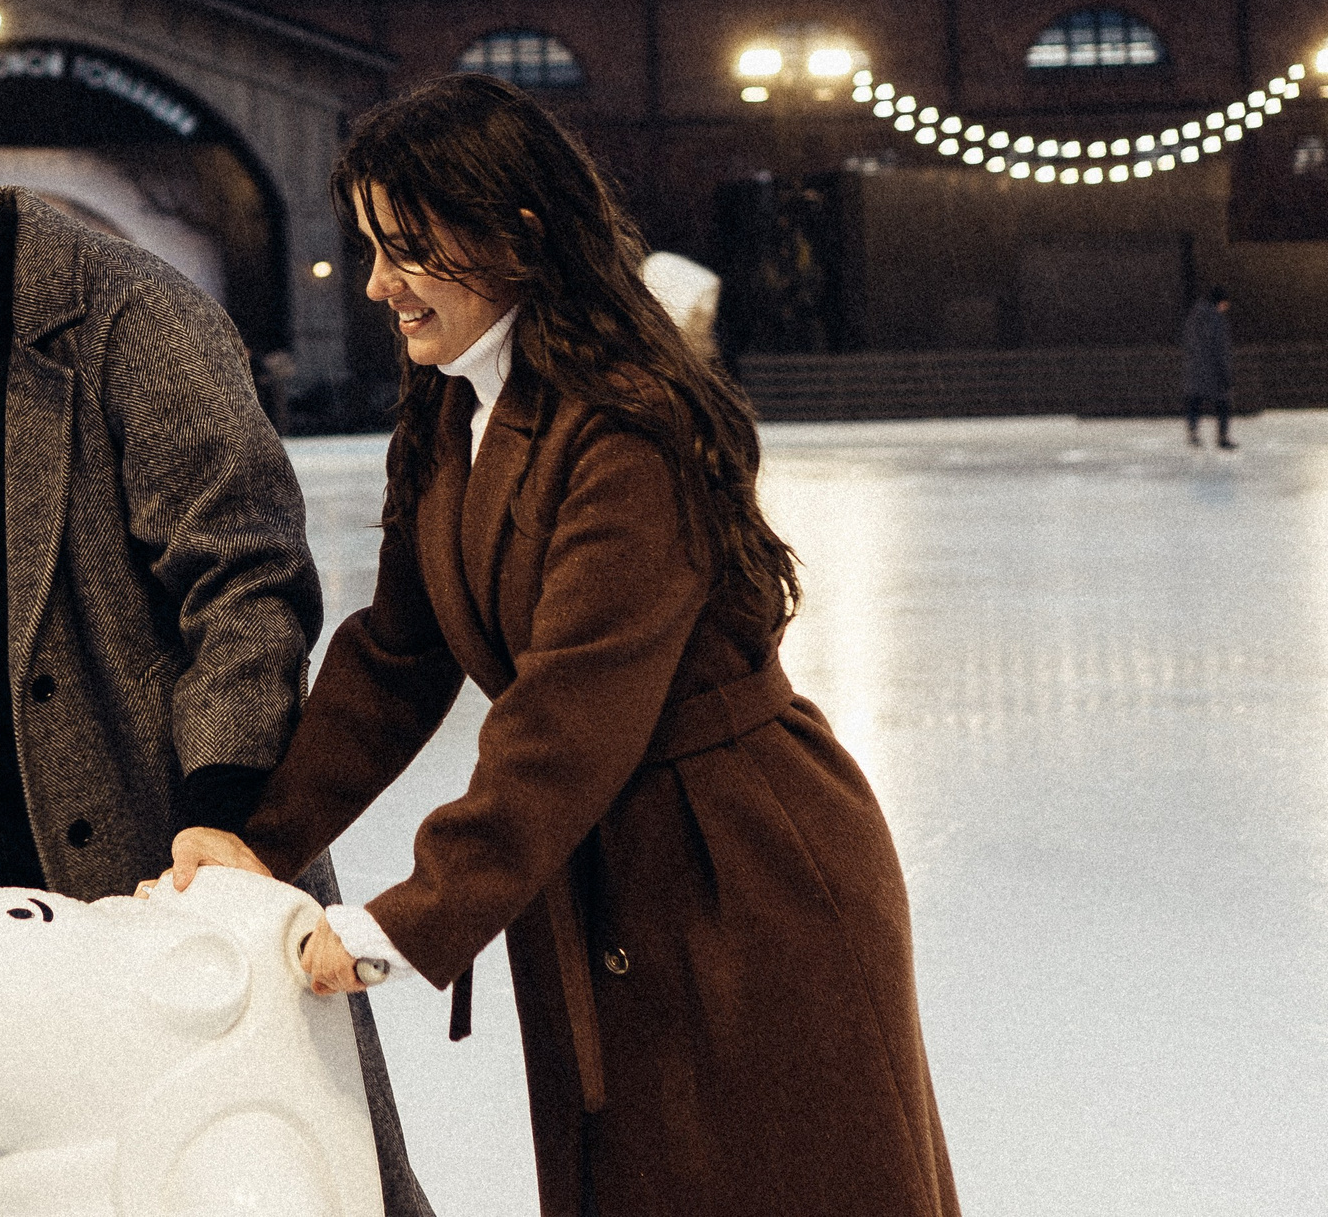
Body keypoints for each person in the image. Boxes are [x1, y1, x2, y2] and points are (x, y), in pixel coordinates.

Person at [165, 75, 959, 1217]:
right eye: (371, 248)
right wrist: (254, 837)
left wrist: (405, 919)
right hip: (599, 872)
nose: (379, 282)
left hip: (740, 873)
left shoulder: (632, 422)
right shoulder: (453, 405)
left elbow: (571, 713)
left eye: (407, 249)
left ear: (514, 236)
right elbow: (395, 655)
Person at [0, 54, 431, 1217]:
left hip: (149, 827)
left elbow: (246, 572)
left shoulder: (136, 317)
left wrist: (220, 806)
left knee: (206, 1158)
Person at [1182, 285, 1236, 449]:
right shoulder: (1217, 320)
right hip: (1214, 371)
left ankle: (1193, 434)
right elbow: (1220, 348)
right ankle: (1222, 437)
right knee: (1223, 404)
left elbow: (1189, 341)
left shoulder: (1194, 317)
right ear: (1219, 302)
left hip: (1196, 369)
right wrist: (1226, 373)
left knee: (1194, 402)